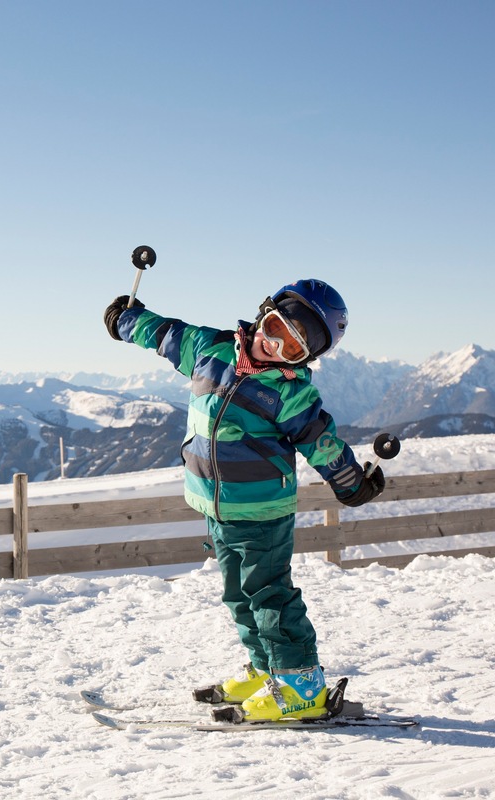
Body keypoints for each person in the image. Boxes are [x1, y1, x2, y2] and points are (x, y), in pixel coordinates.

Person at [102, 278, 385, 721]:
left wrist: (351, 482)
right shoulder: (208, 351)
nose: (274, 346)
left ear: (304, 360)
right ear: (263, 313)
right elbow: (165, 334)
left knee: (269, 595)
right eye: (275, 328)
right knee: (238, 595)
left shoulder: (291, 393)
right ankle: (264, 669)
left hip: (262, 512)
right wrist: (126, 319)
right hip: (216, 507)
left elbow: (321, 442)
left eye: (292, 349)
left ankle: (301, 688)